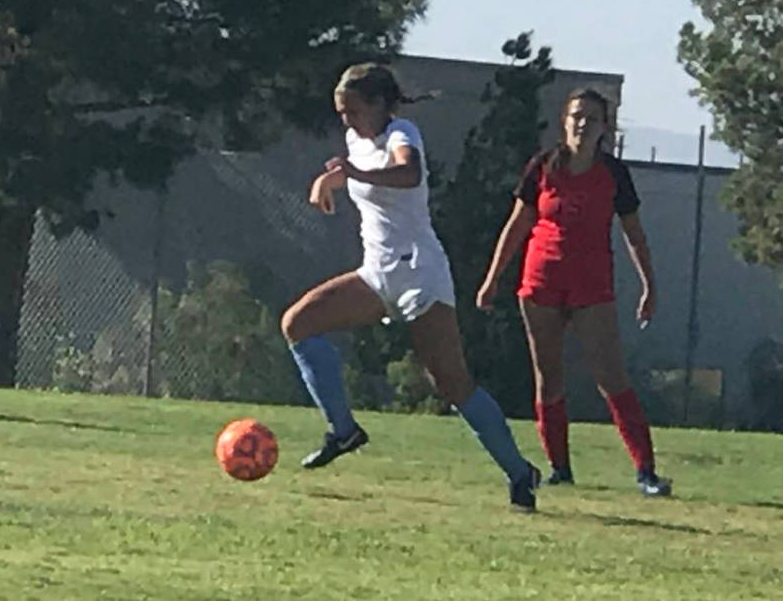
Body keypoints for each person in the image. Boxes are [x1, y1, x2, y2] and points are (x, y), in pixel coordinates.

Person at [281, 62, 541, 512]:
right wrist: (331, 179)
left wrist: (353, 175)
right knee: (298, 323)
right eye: (341, 113)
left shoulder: (403, 133)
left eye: (354, 111)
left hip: (420, 274)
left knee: (453, 385)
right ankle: (343, 431)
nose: (347, 121)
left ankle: (520, 473)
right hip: (377, 272)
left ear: (381, 105)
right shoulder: (354, 141)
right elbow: (357, 169)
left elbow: (408, 175)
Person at [476, 88, 672, 497]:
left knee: (611, 377)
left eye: (592, 118)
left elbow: (634, 234)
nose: (583, 124)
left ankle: (646, 471)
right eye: (576, 116)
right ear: (564, 120)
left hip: (592, 285)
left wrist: (650, 284)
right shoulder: (542, 167)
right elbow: (517, 225)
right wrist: (493, 278)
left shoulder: (614, 174)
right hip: (541, 281)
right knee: (548, 378)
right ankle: (559, 467)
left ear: (605, 127)